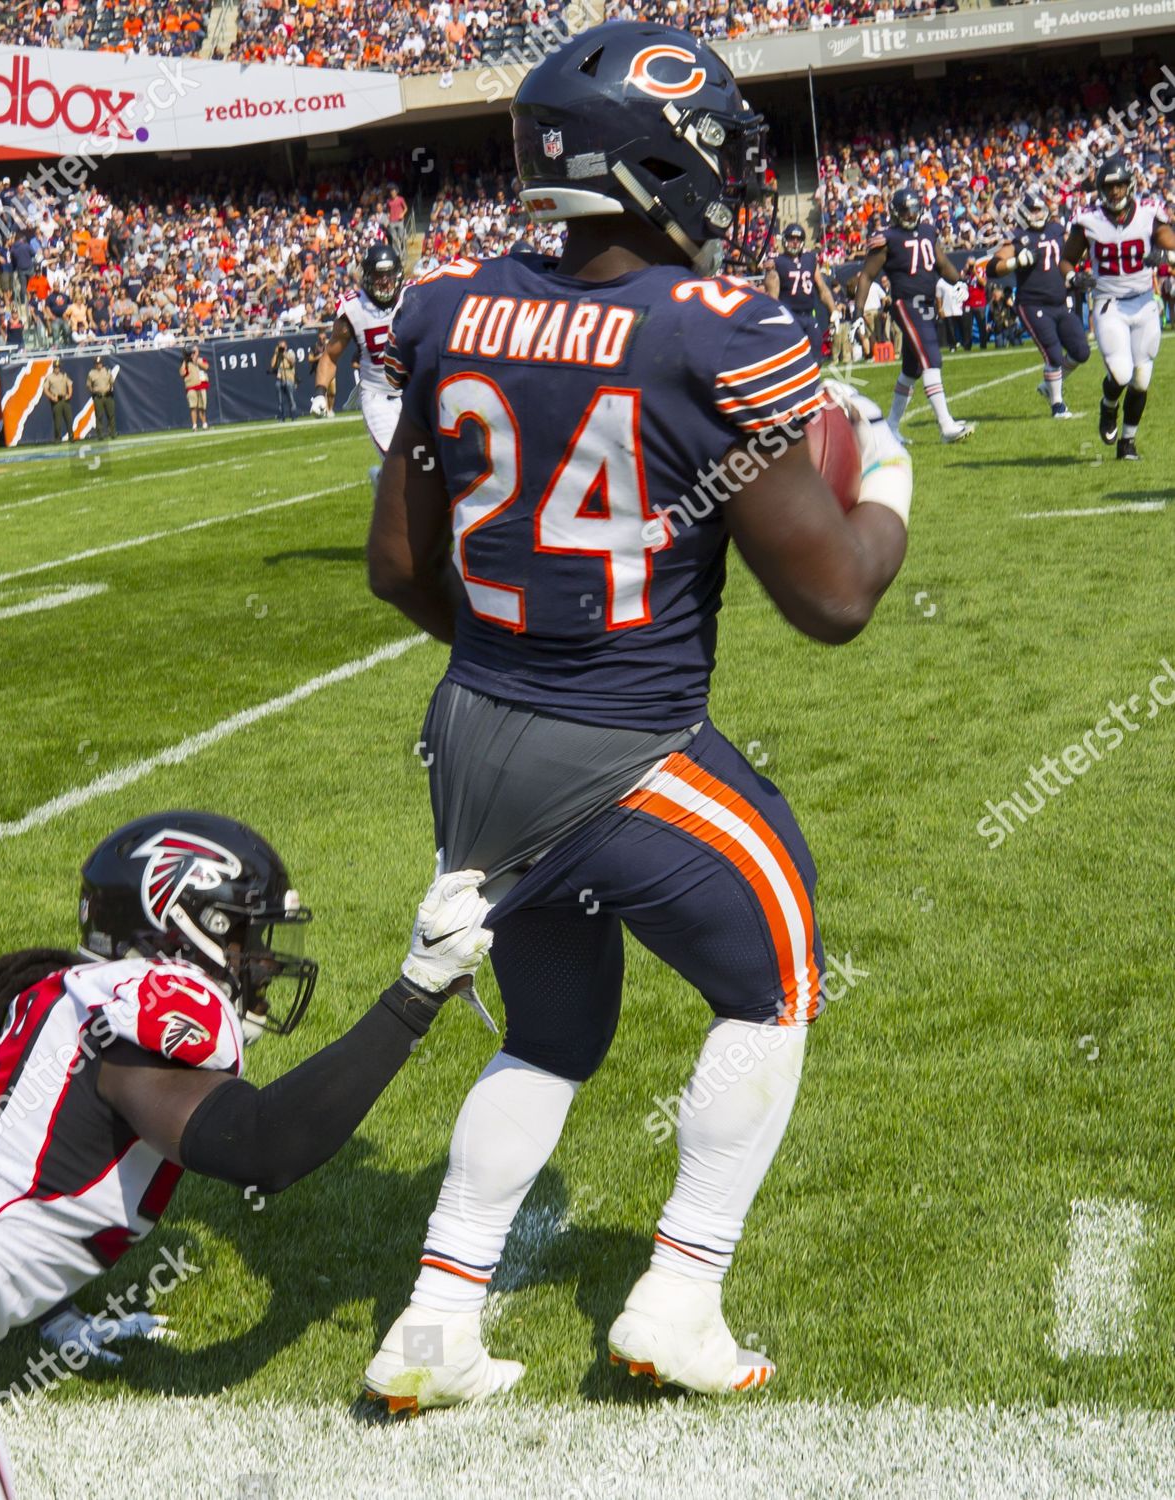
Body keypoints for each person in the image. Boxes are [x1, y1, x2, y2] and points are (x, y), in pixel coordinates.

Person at [364, 20, 912, 1411]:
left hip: (473, 733)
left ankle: (433, 1320)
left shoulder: (444, 311)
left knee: (550, 1028)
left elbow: (395, 568)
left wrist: (518, 648)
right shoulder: (705, 332)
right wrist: (889, 483)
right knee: (777, 979)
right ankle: (681, 1293)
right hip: (625, 747)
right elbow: (836, 599)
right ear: (657, 165)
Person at [0, 811, 493, 1498]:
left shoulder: (51, 997)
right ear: (182, 926)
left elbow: (13, 1171)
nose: (264, 962)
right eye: (246, 936)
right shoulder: (154, 1008)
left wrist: (45, 1304)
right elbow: (266, 1147)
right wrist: (416, 991)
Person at [1060, 155, 1175, 461]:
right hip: (1109, 303)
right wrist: (1073, 277)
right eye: (1110, 187)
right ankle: (1108, 407)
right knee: (1121, 373)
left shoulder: (1149, 214)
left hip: (1143, 302)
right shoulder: (1088, 221)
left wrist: (1165, 256)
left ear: (1130, 186)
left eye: (1121, 185)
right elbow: (1066, 260)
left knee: (1141, 379)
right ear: (1101, 189)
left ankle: (1128, 443)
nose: (1115, 192)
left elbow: (1169, 243)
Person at [854, 188, 975, 442]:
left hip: (927, 302)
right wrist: (857, 312)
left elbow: (941, 264)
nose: (911, 214)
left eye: (914, 208)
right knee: (931, 357)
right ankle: (946, 426)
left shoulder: (928, 231)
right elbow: (866, 275)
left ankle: (891, 428)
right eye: (906, 210)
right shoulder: (886, 238)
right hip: (905, 303)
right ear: (896, 213)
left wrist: (959, 282)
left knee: (912, 369)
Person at [316, 243, 404, 464]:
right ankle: (387, 479)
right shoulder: (353, 309)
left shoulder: (413, 297)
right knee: (396, 462)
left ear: (398, 274)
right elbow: (330, 356)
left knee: (429, 462)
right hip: (377, 397)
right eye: (378, 275)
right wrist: (319, 393)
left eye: (389, 274)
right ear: (367, 277)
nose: (384, 281)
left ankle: (383, 480)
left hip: (413, 395)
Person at [763, 223, 838, 365]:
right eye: (792, 238)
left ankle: (813, 385)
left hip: (809, 316)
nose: (795, 242)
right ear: (785, 239)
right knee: (792, 360)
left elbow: (821, 288)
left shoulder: (810, 259)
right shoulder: (777, 262)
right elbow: (772, 296)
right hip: (790, 317)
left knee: (817, 358)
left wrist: (833, 310)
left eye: (798, 239)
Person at [86, 355, 116, 439]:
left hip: (107, 395)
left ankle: (112, 432)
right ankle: (100, 434)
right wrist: (94, 391)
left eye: (100, 363)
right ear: (95, 364)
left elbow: (112, 381)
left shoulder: (107, 370)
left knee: (111, 414)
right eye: (97, 363)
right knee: (99, 416)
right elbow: (88, 385)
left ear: (102, 363)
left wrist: (110, 389)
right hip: (98, 397)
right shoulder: (91, 373)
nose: (99, 365)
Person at [44, 358, 74, 441]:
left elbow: (70, 384)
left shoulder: (64, 375)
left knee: (69, 419)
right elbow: (45, 389)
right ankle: (57, 437)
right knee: (58, 421)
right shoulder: (49, 377)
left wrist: (69, 394)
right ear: (53, 368)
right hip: (56, 400)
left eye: (58, 367)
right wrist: (51, 397)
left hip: (64, 399)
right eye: (55, 367)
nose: (57, 369)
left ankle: (71, 436)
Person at [182, 346, 209, 430]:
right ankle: (194, 425)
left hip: (201, 386)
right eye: (193, 351)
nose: (194, 353)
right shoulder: (186, 362)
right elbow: (182, 373)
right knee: (193, 406)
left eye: (195, 351)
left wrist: (196, 361)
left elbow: (206, 367)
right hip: (191, 386)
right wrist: (186, 361)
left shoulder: (201, 360)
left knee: (202, 407)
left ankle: (204, 424)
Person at [270, 338, 297, 420]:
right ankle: (281, 417)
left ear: (286, 347)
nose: (281, 348)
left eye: (283, 347)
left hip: (289, 379)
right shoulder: (277, 356)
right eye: (280, 347)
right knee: (280, 401)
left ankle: (293, 416)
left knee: (291, 400)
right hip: (279, 379)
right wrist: (276, 353)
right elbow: (272, 365)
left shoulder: (290, 353)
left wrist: (284, 354)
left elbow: (292, 362)